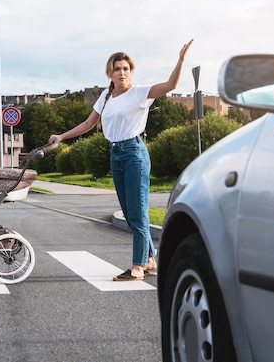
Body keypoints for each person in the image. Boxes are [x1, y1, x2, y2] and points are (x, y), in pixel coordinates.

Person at [50, 39, 193, 281]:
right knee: (129, 213)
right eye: (117, 68)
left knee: (137, 212)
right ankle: (149, 259)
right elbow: (88, 124)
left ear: (131, 71)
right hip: (115, 154)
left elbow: (171, 84)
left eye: (126, 68)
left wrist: (180, 60)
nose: (122, 72)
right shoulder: (106, 97)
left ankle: (137, 267)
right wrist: (61, 137)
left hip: (134, 153)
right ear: (110, 72)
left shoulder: (140, 93)